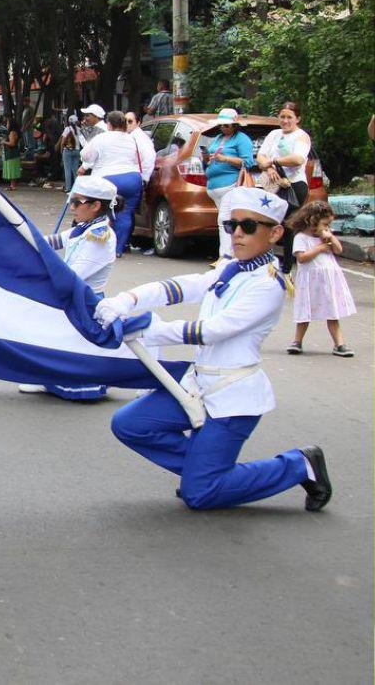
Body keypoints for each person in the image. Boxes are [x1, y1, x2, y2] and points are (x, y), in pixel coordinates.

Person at [96, 187, 332, 512]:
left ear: (275, 233)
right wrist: (128, 299)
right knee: (130, 424)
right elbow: (182, 287)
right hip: (199, 386)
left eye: (248, 226)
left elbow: (213, 331)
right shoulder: (231, 268)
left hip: (233, 397)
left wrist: (152, 330)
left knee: (200, 495)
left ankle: (298, 465)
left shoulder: (268, 285)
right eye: (231, 225)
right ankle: (204, 472)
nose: (237, 233)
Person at [20, 175, 119, 400]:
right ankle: (46, 378)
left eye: (76, 202)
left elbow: (75, 275)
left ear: (96, 206)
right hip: (73, 296)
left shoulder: (100, 237)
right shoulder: (84, 229)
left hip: (85, 302)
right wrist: (23, 238)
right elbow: (54, 241)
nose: (71, 207)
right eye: (71, 201)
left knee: (71, 345)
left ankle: (66, 383)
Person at [286, 201, 355, 357]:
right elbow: (302, 258)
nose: (326, 227)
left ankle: (339, 344)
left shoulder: (326, 236)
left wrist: (330, 237)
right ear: (311, 220)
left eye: (328, 225)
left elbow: (338, 250)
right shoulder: (301, 237)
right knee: (305, 311)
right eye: (324, 224)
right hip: (310, 281)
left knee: (332, 312)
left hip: (328, 281)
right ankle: (297, 341)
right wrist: (319, 248)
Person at [256, 101, 312, 273]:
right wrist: (269, 168)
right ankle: (264, 262)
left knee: (287, 226)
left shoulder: (301, 136)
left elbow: (297, 159)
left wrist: (273, 162)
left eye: (289, 117)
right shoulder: (274, 134)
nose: (285, 121)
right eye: (282, 117)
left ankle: (287, 268)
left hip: (293, 186)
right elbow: (261, 157)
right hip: (272, 184)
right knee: (266, 222)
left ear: (297, 119)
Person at [80, 110, 144, 256]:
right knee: (125, 213)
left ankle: (101, 247)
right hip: (132, 178)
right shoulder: (131, 139)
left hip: (108, 178)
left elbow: (86, 155)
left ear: (109, 124)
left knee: (102, 212)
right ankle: (117, 249)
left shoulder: (101, 138)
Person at [202, 108, 255, 261]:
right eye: (221, 125)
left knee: (224, 219)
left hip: (231, 184)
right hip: (215, 186)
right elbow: (210, 160)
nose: (223, 128)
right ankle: (231, 254)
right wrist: (206, 158)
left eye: (226, 125)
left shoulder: (241, 139)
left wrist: (225, 159)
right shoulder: (219, 138)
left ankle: (225, 256)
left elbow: (248, 162)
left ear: (234, 125)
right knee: (227, 221)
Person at [124, 110, 156, 185]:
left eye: (130, 121)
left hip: (136, 179)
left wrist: (144, 178)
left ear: (138, 123)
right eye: (125, 121)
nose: (126, 124)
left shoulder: (140, 138)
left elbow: (149, 157)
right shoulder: (130, 136)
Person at [58, 114, 82, 191]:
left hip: (67, 150)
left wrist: (61, 150)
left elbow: (63, 141)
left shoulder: (67, 129)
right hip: (77, 150)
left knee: (67, 170)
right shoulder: (80, 130)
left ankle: (68, 188)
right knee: (75, 170)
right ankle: (76, 188)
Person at [1, 118, 21, 191]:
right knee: (12, 168)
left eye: (8, 123)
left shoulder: (12, 132)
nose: (7, 125)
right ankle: (12, 185)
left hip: (11, 153)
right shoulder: (15, 132)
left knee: (11, 168)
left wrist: (3, 142)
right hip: (13, 153)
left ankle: (13, 185)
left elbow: (12, 143)